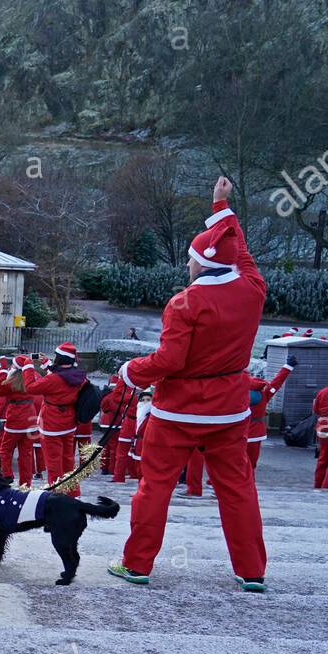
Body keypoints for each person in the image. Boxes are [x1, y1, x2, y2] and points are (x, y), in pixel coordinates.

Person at [110, 177, 269, 592]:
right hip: (229, 409)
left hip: (177, 409)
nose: (187, 265)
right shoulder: (253, 290)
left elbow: (169, 361)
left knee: (155, 486)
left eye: (190, 259)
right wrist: (221, 207)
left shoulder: (185, 302)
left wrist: (130, 372)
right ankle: (251, 571)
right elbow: (242, 252)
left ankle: (138, 565)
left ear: (202, 262)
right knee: (237, 490)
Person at [26, 343, 88, 496]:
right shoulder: (79, 376)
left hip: (52, 424)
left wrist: (28, 367)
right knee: (68, 461)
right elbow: (62, 372)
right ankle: (73, 493)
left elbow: (30, 387)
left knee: (53, 463)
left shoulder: (53, 379)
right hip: (69, 422)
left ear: (59, 359)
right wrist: (47, 364)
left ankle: (57, 495)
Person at [244, 359, 296, 469]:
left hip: (238, 432)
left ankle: (214, 483)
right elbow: (276, 383)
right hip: (256, 433)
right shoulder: (264, 394)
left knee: (230, 462)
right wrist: (288, 367)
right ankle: (249, 484)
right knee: (251, 464)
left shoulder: (238, 394)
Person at [0, 355, 37, 483]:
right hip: (31, 416)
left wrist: (3, 370)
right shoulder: (33, 379)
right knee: (26, 453)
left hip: (15, 416)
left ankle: (7, 474)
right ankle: (26, 482)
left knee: (6, 449)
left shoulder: (11, 381)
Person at [313, 369, 328, 489]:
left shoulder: (323, 392)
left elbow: (316, 410)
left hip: (323, 428)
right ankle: (327, 487)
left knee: (322, 458)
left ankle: (317, 485)